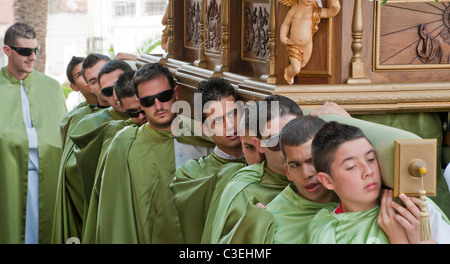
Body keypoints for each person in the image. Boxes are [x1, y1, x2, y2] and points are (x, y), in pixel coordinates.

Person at [95, 63, 215, 243]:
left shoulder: (204, 136)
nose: (158, 106)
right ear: (139, 104)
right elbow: (115, 216)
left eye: (164, 96)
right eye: (148, 101)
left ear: (176, 94)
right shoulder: (124, 146)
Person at [303, 121, 450, 244]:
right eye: (352, 167)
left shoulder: (414, 209)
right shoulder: (324, 229)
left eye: (371, 159)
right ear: (327, 181)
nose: (368, 171)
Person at [203, 94, 303, 244]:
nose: (288, 148)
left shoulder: (323, 177)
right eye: (276, 141)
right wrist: (249, 230)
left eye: (296, 135)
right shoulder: (245, 191)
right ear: (260, 145)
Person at [51, 58, 131, 244]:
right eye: (93, 81)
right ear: (88, 87)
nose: (115, 92)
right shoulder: (83, 121)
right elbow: (72, 171)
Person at [0, 22, 67, 244]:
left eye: (35, 50)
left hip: (47, 176)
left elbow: (62, 136)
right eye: (25, 51)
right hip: (7, 177)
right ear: (7, 51)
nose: (32, 57)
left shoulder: (51, 87)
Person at [170, 77, 248, 243]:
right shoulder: (190, 176)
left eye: (233, 114)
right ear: (205, 128)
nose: (230, 125)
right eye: (218, 120)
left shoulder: (268, 164)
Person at [82, 70, 147, 244]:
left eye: (144, 109)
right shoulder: (118, 138)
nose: (142, 117)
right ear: (122, 107)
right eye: (133, 112)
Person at [265, 116, 339, 244]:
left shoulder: (357, 200)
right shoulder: (271, 218)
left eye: (312, 161)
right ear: (287, 171)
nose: (306, 174)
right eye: (295, 165)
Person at [280, 0, 341, 84]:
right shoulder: (294, 10)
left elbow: (330, 13)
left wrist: (336, 6)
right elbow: (285, 25)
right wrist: (283, 36)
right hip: (293, 44)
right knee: (296, 69)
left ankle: (290, 71)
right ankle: (288, 73)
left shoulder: (315, 11)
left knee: (303, 64)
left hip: (308, 45)